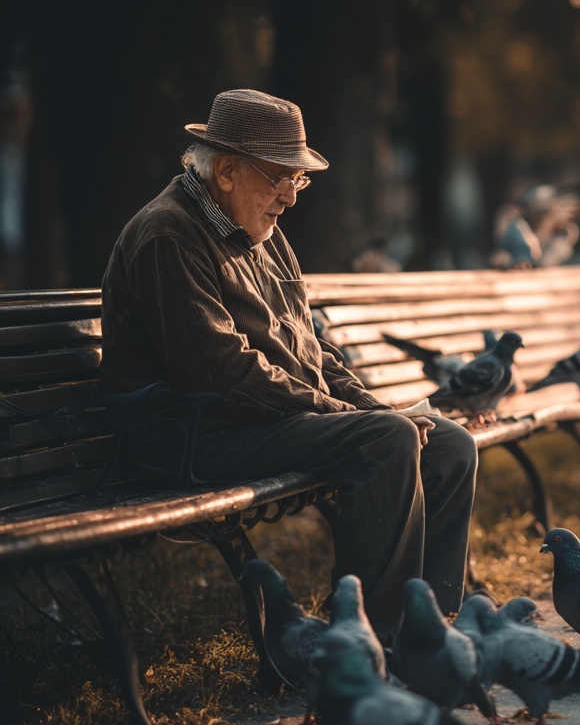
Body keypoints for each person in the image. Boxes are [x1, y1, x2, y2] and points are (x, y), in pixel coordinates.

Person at [100, 88, 477, 632]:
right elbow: (221, 374)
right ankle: (377, 639)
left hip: (254, 419)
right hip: (191, 433)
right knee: (384, 440)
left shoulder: (262, 230)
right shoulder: (169, 235)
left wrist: (372, 406)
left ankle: (433, 631)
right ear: (227, 171)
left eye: (298, 179)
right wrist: (351, 417)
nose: (292, 197)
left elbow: (311, 348)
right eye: (281, 178)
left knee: (448, 443)